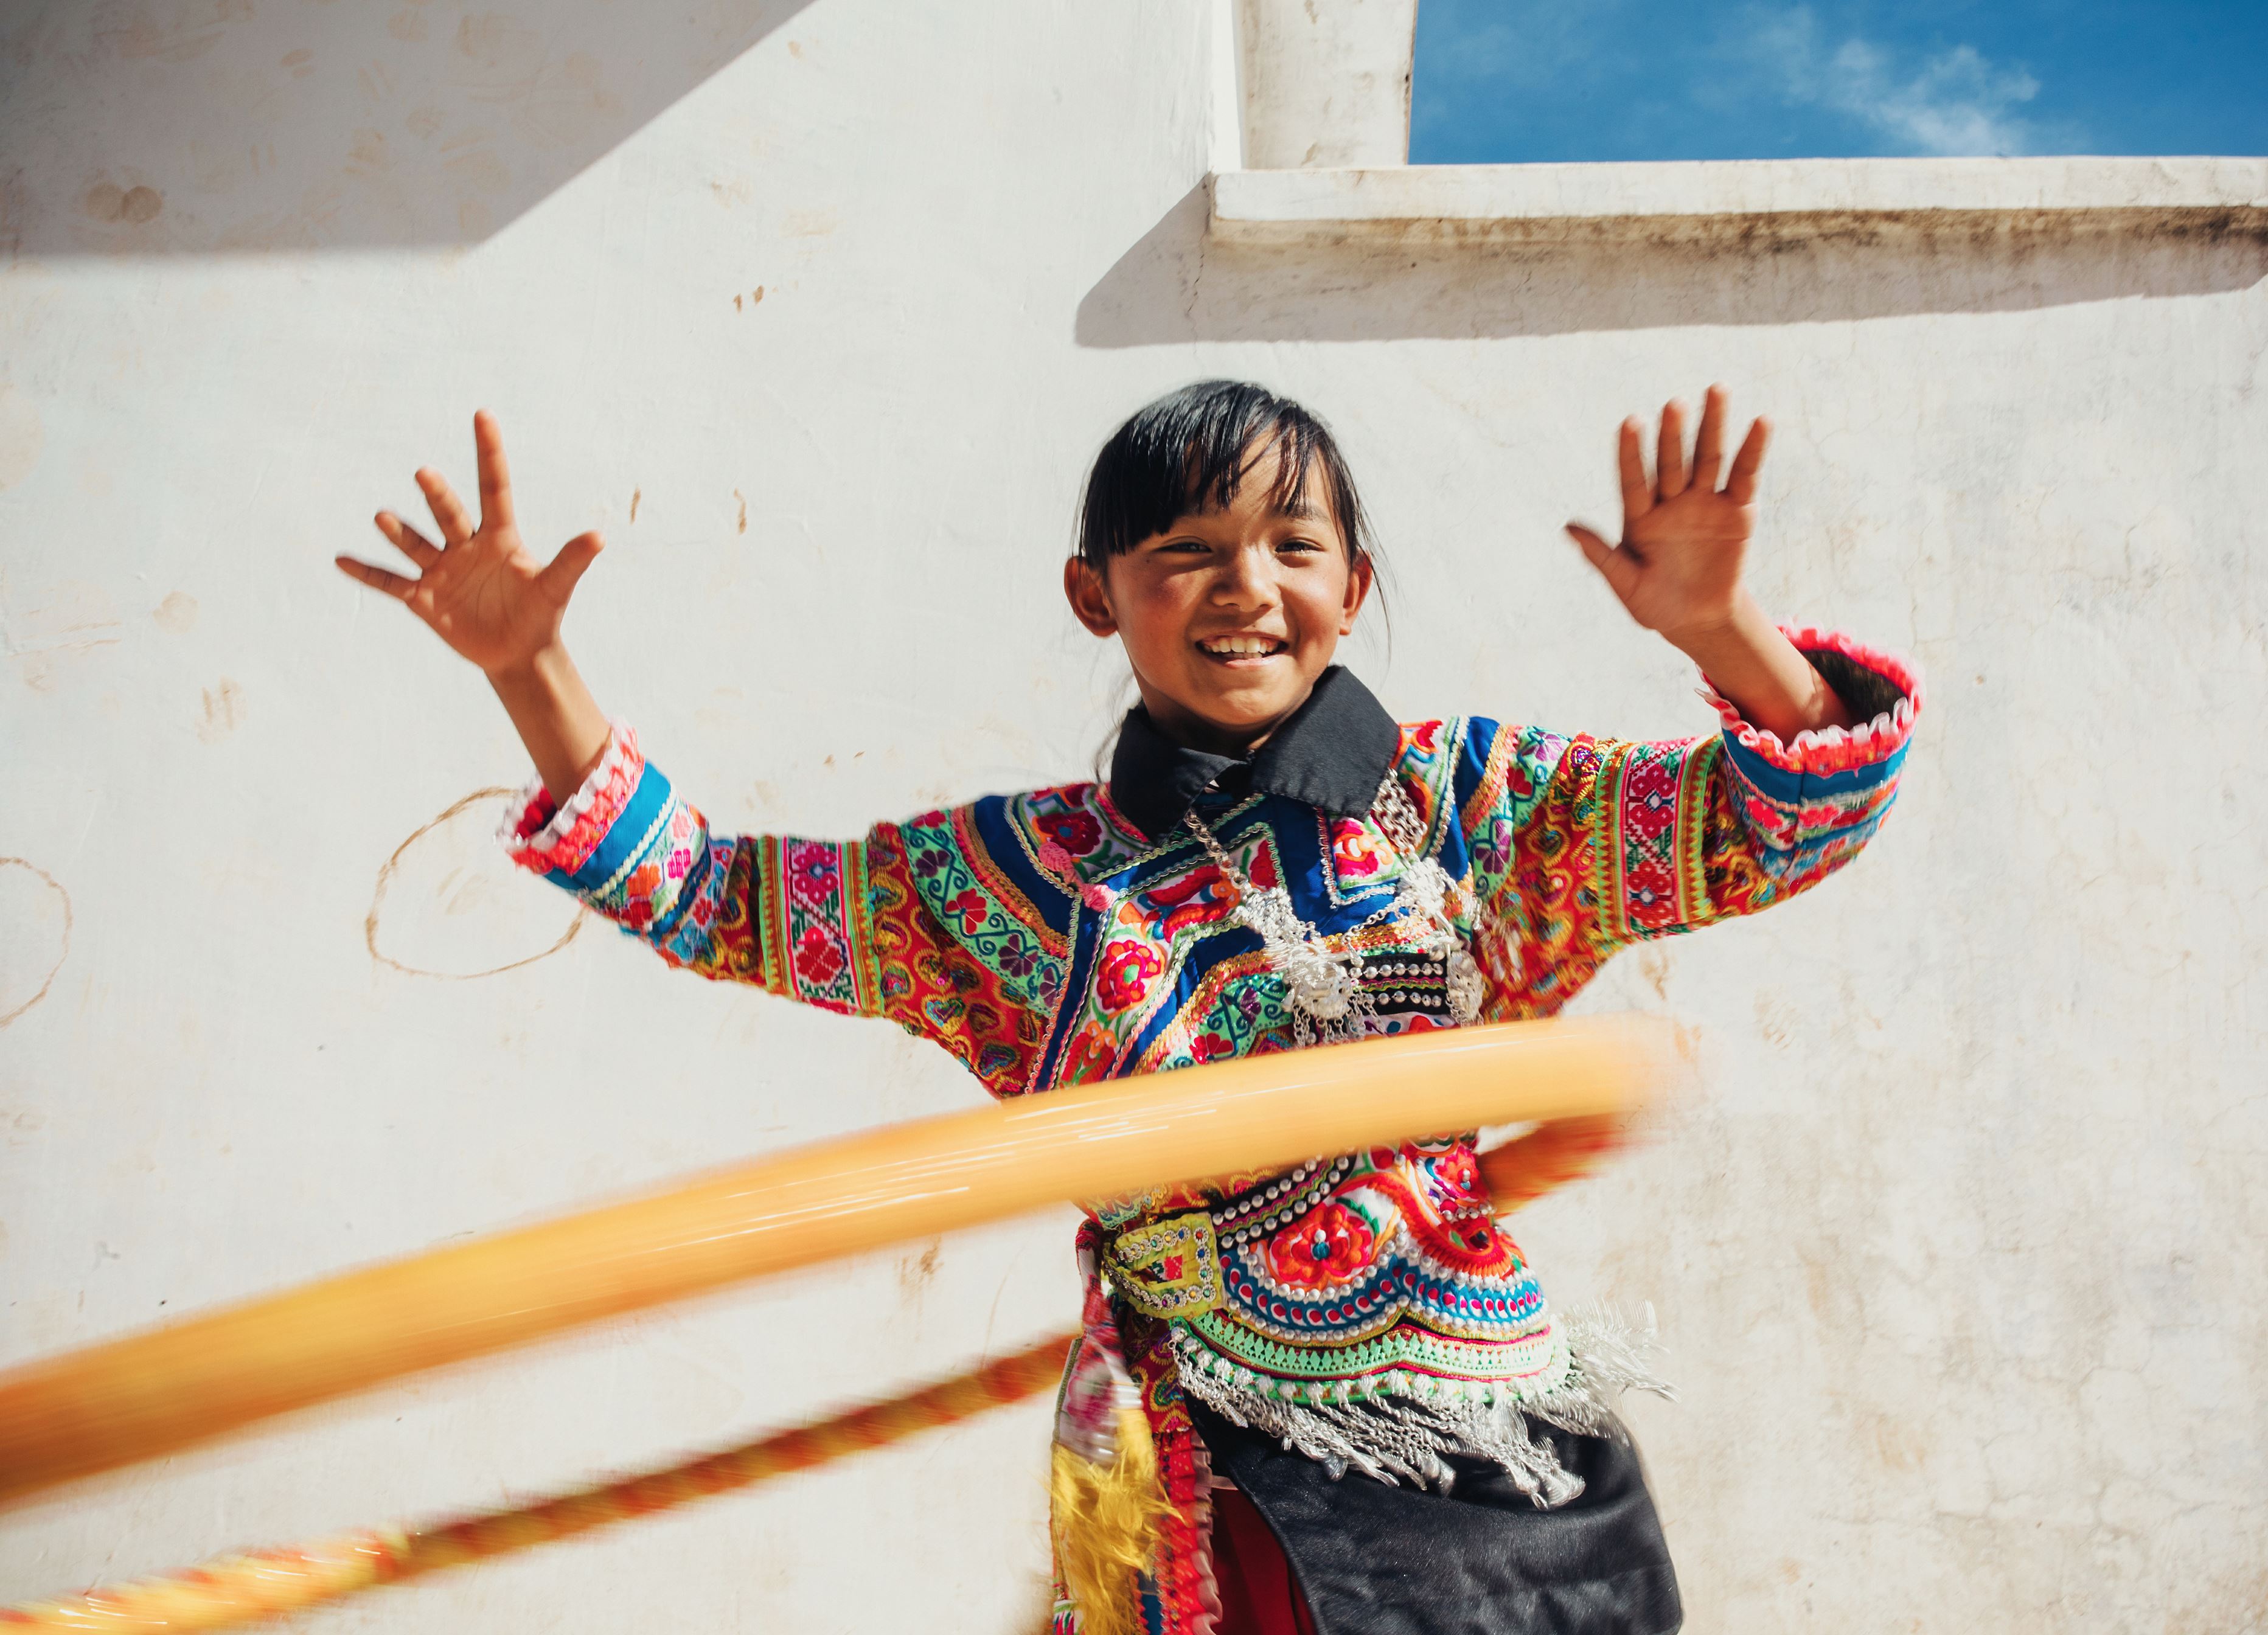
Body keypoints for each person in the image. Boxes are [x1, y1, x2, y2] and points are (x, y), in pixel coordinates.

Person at [336, 380, 1919, 1635]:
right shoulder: (1015, 886)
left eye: (1296, 547)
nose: (1249, 589)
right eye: (1187, 553)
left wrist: (1721, 633)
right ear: (1100, 597)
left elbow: (1777, 820)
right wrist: (529, 672)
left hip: (1483, 1457)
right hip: (1187, 1483)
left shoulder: (1468, 806)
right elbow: (717, 895)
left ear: (1353, 586)